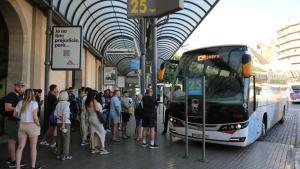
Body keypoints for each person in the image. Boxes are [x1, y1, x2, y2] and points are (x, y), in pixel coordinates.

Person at [15, 89, 41, 169]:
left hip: (22, 125)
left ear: (25, 95)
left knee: (20, 147)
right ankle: (33, 166)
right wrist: (39, 124)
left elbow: (15, 115)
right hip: (32, 126)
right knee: (33, 147)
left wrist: (22, 117)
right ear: (33, 95)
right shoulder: (34, 103)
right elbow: (35, 117)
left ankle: (17, 167)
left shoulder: (20, 103)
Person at [4, 81, 25, 168]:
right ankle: (13, 161)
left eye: (22, 86)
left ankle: (11, 158)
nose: (20, 88)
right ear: (15, 86)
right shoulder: (11, 95)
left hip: (17, 121)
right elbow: (7, 108)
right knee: (12, 140)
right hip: (12, 121)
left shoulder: (19, 96)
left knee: (14, 140)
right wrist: (19, 108)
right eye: (18, 86)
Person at [85, 90, 109, 154]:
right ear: (93, 95)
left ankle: (93, 149)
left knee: (92, 134)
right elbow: (97, 110)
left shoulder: (86, 102)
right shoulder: (94, 100)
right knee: (102, 132)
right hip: (96, 119)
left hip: (90, 118)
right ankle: (102, 149)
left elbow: (87, 111)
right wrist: (102, 111)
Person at [54, 91, 72, 160]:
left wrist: (60, 118)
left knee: (59, 139)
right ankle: (65, 155)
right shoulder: (66, 104)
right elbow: (64, 114)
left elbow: (55, 115)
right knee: (66, 139)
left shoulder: (58, 104)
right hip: (65, 123)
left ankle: (59, 154)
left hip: (58, 123)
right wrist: (63, 123)